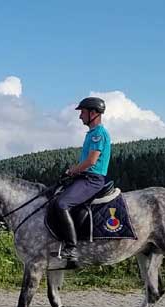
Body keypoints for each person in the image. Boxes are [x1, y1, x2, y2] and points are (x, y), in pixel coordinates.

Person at [52, 97, 112, 261]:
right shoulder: (92, 133)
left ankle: (71, 248)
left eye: (83, 112)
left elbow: (92, 161)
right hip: (84, 177)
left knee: (62, 204)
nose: (80, 117)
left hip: (92, 179)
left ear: (93, 113)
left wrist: (73, 170)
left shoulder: (98, 134)